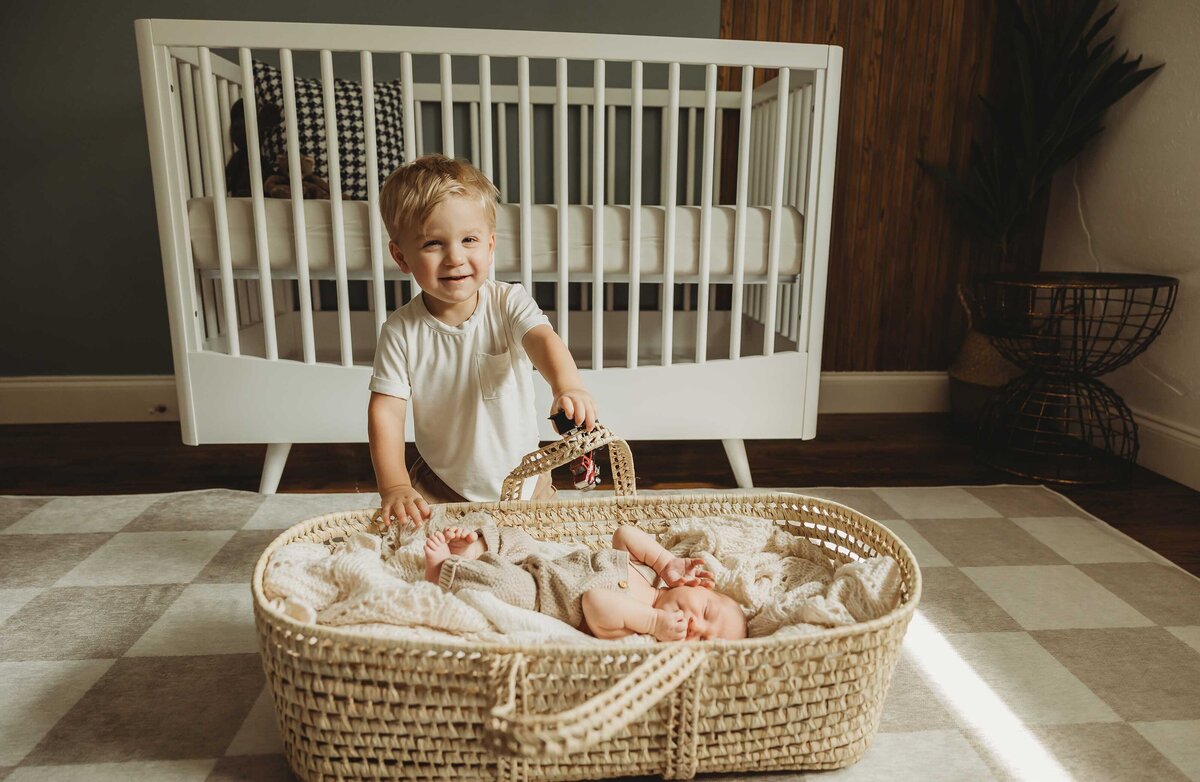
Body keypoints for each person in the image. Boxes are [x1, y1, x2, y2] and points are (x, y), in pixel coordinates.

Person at [368, 155, 598, 528]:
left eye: (469, 240)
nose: (455, 257)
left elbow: (542, 340)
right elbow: (386, 412)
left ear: (490, 247)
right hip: (441, 484)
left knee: (548, 550)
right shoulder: (400, 331)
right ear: (401, 256)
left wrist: (567, 386)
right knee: (420, 555)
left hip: (527, 481)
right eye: (432, 244)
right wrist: (393, 485)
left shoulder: (508, 303)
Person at [423, 524, 748, 642]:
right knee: (520, 539)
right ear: (697, 588)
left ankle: (442, 571)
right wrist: (665, 562)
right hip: (541, 562)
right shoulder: (650, 576)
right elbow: (623, 534)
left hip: (539, 593)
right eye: (706, 612)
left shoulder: (637, 626)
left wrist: (654, 623)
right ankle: (477, 548)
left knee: (509, 587)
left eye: (704, 641)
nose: (696, 627)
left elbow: (595, 600)